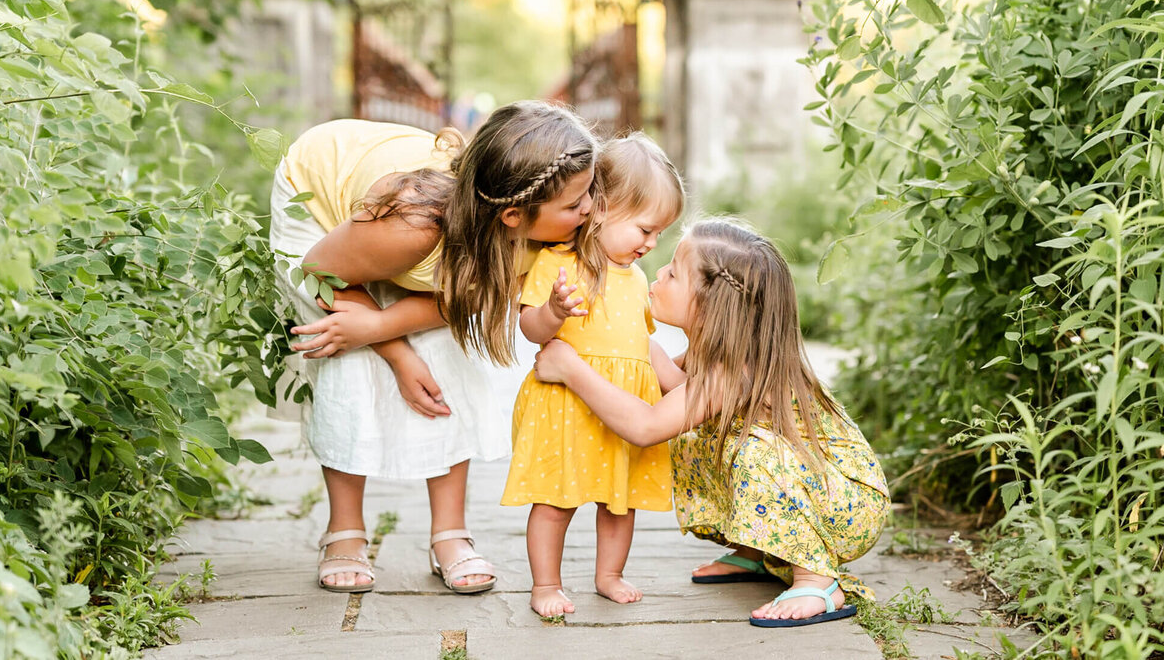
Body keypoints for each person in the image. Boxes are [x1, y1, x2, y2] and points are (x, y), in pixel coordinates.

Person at [269, 101, 602, 595]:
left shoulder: (544, 229)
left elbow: (466, 298)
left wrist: (386, 324)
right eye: (576, 205)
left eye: (588, 194)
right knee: (347, 356)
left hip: (419, 242)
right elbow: (318, 272)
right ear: (513, 215)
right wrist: (392, 346)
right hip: (320, 218)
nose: (590, 208)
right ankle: (344, 530)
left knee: (446, 359)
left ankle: (449, 533)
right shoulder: (413, 224)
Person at [531, 218, 890, 627]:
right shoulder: (713, 356)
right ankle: (760, 551)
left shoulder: (737, 370)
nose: (659, 273)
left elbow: (647, 425)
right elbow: (674, 391)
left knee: (746, 449)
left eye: (674, 273)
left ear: (709, 303)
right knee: (696, 436)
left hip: (849, 506)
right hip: (817, 493)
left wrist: (572, 370)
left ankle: (817, 581)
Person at [500, 135, 685, 617]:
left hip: (621, 408)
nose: (651, 243)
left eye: (659, 234)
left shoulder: (638, 279)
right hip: (564, 405)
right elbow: (531, 328)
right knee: (554, 500)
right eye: (645, 229)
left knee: (620, 503)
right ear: (601, 207)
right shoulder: (559, 264)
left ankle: (609, 574)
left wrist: (682, 386)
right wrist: (555, 311)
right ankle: (546, 584)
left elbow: (643, 345)